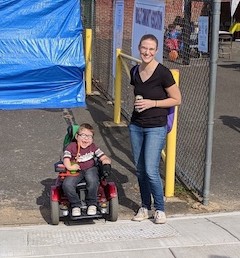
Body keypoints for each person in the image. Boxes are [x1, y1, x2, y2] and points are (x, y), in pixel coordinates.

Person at [129, 34, 181, 224]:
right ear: (139, 48)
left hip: (156, 126)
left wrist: (153, 103)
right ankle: (144, 206)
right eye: (144, 48)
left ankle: (160, 208)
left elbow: (177, 99)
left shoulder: (163, 73)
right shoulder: (134, 71)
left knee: (151, 170)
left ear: (157, 51)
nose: (147, 52)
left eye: (151, 49)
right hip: (136, 125)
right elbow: (136, 92)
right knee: (140, 170)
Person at [62, 123, 111, 216]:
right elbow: (66, 159)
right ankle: (76, 205)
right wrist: (70, 167)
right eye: (83, 135)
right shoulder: (71, 147)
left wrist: (106, 163)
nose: (86, 138)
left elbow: (104, 157)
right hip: (76, 170)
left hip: (90, 168)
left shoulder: (93, 147)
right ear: (77, 136)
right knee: (67, 184)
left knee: (92, 180)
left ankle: (92, 203)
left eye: (89, 136)